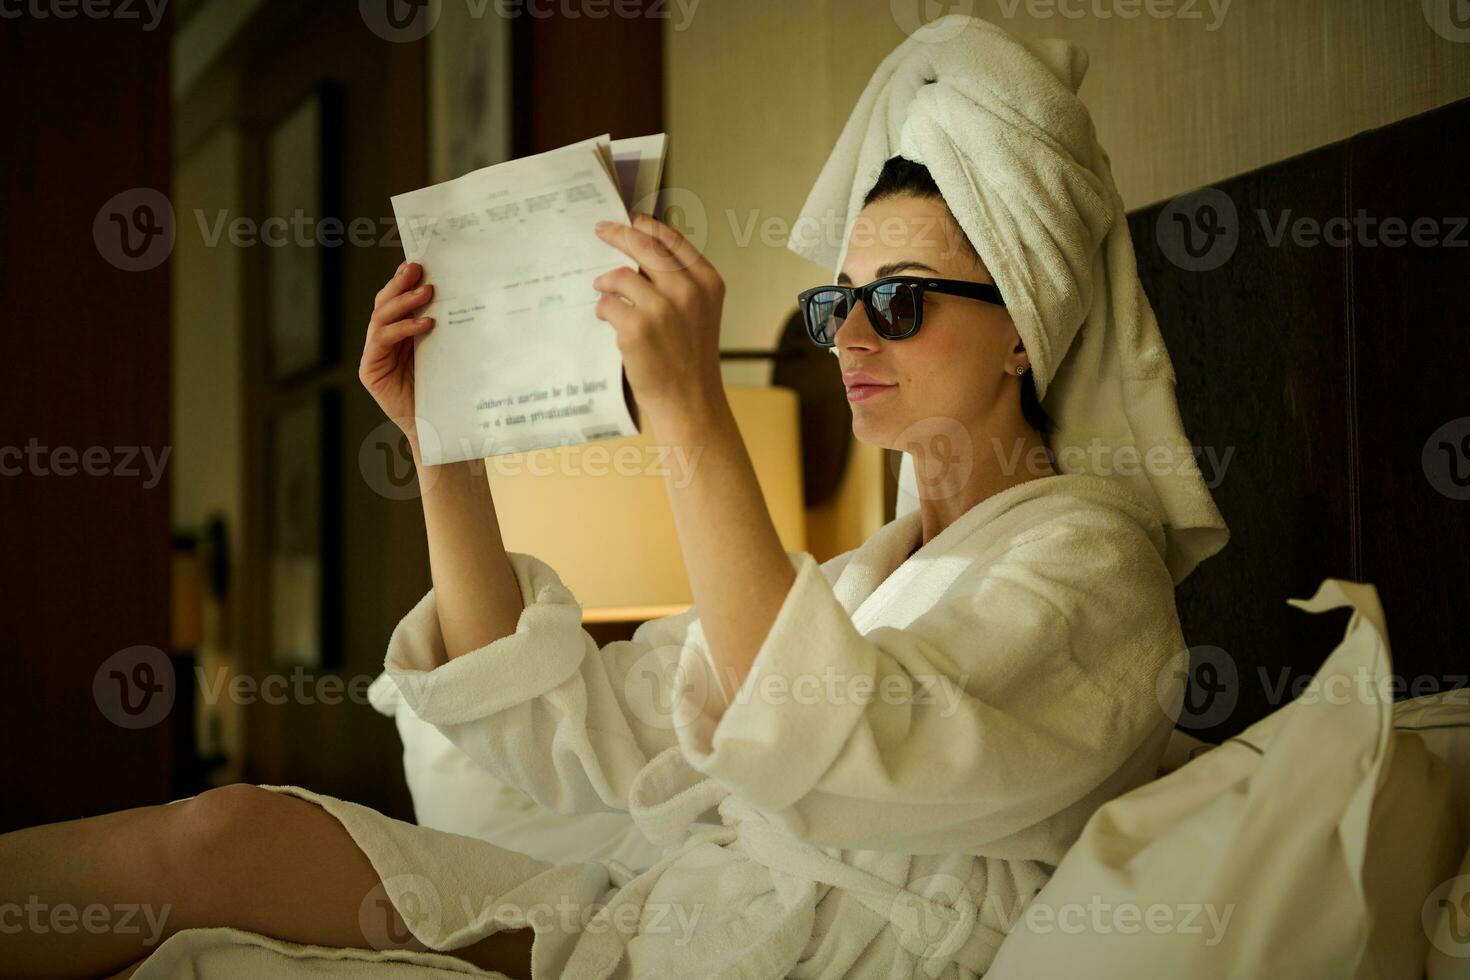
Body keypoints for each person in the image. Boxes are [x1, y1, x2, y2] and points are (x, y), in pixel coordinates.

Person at [0, 15, 1226, 980]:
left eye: (896, 300)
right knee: (222, 836)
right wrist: (444, 448)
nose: (849, 335)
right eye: (831, 303)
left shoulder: (1094, 572)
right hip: (650, 922)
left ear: (1025, 330)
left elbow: (841, 743)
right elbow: (559, 720)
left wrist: (691, 409)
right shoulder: (863, 577)